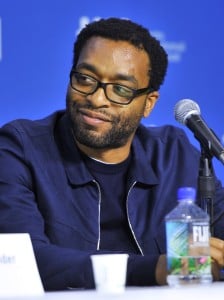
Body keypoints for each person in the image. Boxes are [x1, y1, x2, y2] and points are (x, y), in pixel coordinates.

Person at [0, 17, 224, 291]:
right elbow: (21, 262)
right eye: (85, 79)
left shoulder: (174, 154)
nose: (95, 98)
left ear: (148, 104)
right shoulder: (20, 148)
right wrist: (156, 269)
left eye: (120, 89)